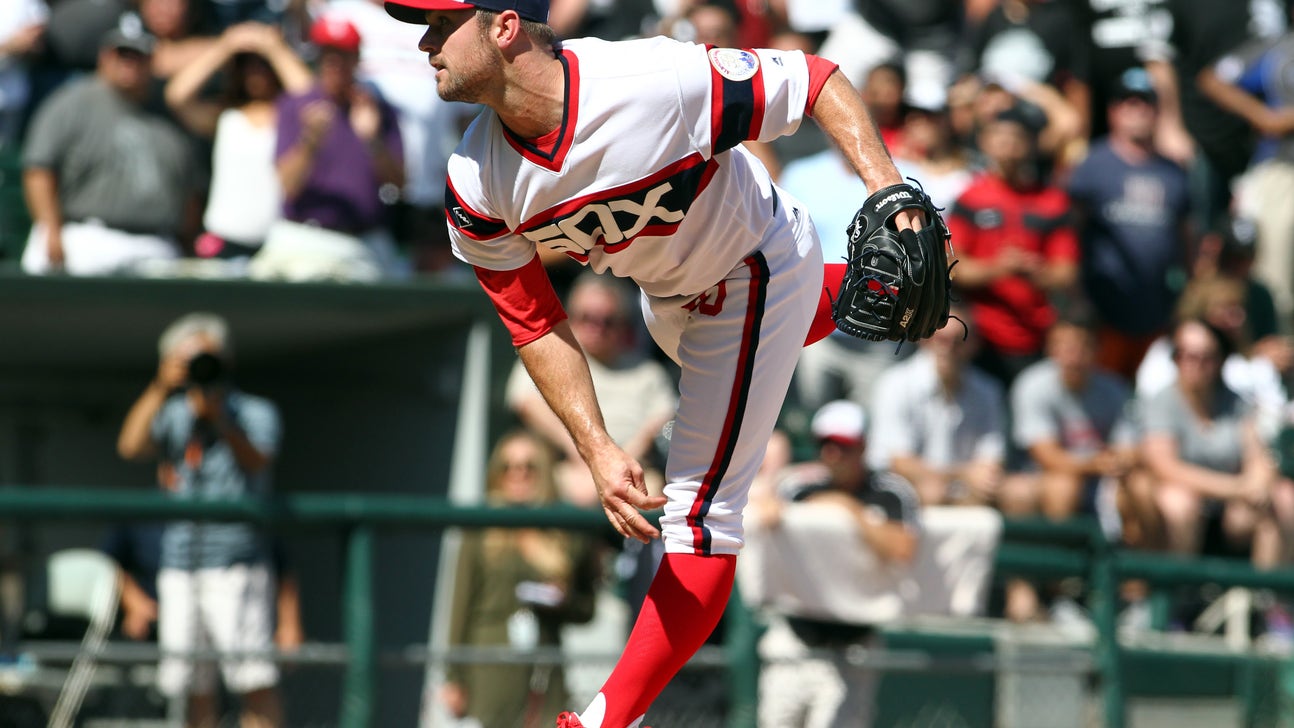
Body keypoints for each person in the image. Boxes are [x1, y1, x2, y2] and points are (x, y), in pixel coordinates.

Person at [379, 2, 925, 726]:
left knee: (700, 519)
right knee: (740, 359)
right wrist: (596, 445)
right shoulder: (474, 180)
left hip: (754, 264)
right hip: (667, 304)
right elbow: (536, 322)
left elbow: (815, 79)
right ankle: (862, 286)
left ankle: (605, 718)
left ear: (504, 26)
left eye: (440, 24)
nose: (423, 41)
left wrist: (889, 189)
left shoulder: (646, 77)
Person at [116, 312, 285, 728]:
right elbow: (130, 447)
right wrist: (160, 386)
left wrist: (220, 419)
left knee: (253, 681)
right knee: (192, 687)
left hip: (236, 563)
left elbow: (258, 459)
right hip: (179, 565)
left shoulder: (252, 411)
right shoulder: (174, 412)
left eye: (208, 359)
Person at [749, 399, 920, 728]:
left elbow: (902, 548)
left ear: (863, 446)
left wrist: (847, 510)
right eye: (825, 445)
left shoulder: (891, 492)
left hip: (853, 648)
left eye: (842, 446)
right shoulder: (799, 485)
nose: (832, 455)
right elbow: (767, 513)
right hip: (794, 641)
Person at [442, 430, 601, 728]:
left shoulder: (564, 532)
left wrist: (563, 599)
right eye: (509, 467)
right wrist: (453, 677)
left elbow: (587, 609)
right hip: (490, 665)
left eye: (529, 467)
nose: (519, 475)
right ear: (497, 474)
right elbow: (459, 607)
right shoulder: (480, 531)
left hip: (546, 669)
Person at [20, 20, 200, 276]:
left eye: (138, 55)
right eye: (122, 54)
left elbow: (189, 188)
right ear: (104, 56)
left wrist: (186, 242)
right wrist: (50, 230)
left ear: (152, 60)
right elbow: (39, 170)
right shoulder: (73, 102)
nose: (129, 63)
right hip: (88, 238)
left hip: (156, 244)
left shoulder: (168, 114)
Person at [252, 15, 406, 282]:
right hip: (303, 237)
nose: (335, 65)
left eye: (343, 56)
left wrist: (372, 139)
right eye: (328, 56)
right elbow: (287, 186)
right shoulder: (296, 105)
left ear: (356, 59)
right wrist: (310, 141)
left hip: (362, 241)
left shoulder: (377, 108)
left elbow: (399, 182)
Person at [506, 273, 677, 507]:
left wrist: (619, 463)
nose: (596, 328)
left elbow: (662, 418)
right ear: (569, 316)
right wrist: (587, 452)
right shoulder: (551, 356)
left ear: (623, 324)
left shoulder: (646, 371)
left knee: (656, 490)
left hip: (632, 469)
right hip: (562, 466)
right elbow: (524, 401)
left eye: (607, 321)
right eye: (587, 318)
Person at [1067, 66, 1191, 382]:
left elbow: (1187, 239)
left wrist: (1186, 299)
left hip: (1158, 313)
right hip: (1103, 312)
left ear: (1157, 111)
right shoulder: (1091, 166)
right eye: (1127, 101)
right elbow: (1070, 233)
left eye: (1144, 102)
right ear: (1113, 110)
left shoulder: (1173, 172)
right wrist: (1076, 296)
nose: (1136, 110)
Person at [1140, 317, 1294, 570]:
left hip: (1232, 513)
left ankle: (1266, 601)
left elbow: (1257, 455)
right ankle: (1177, 597)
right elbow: (1165, 467)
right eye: (1186, 355)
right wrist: (1236, 488)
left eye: (1206, 357)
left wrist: (1258, 485)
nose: (1196, 365)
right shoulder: (1162, 401)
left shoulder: (1236, 402)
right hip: (1183, 509)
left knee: (1285, 496)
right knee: (1180, 503)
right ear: (1175, 358)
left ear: (1220, 359)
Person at [946, 101, 1080, 388]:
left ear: (1031, 144)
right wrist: (999, 268)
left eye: (1016, 137)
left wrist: (1035, 272)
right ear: (985, 141)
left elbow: (1067, 272)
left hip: (1036, 337)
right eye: (999, 135)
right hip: (980, 338)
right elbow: (952, 267)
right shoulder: (971, 198)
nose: (1007, 145)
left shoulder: (1052, 202)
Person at [165, 21, 313, 264]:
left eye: (263, 65)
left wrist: (274, 49)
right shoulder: (226, 117)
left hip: (280, 244)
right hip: (224, 242)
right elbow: (177, 95)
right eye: (247, 65)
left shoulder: (292, 120)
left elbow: (313, 100)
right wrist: (225, 47)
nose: (256, 72)